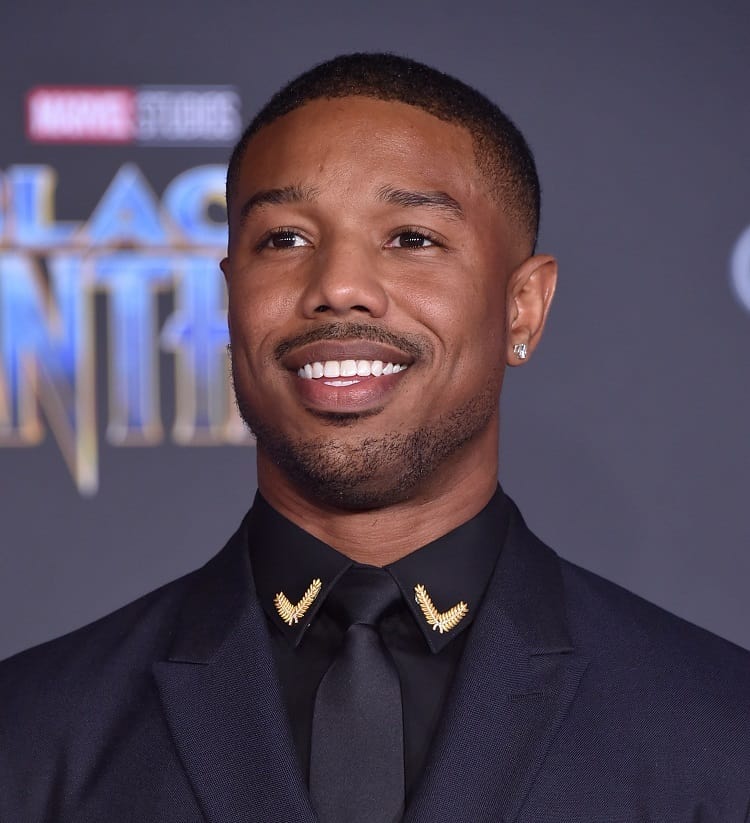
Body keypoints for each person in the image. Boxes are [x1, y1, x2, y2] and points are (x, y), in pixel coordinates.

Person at [1, 53, 748, 823]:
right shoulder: (29, 736)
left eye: (412, 237)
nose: (339, 286)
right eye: (285, 239)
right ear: (229, 303)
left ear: (522, 307)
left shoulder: (722, 735)